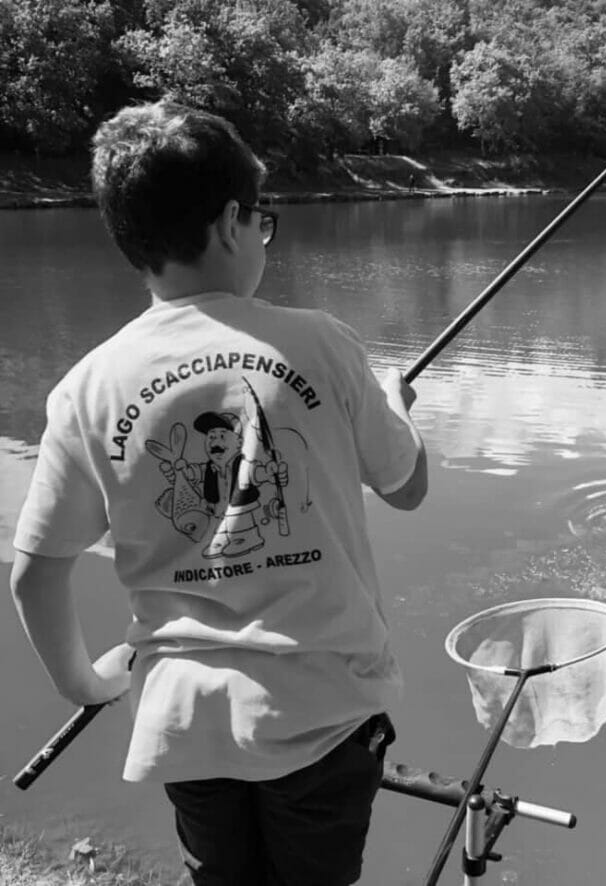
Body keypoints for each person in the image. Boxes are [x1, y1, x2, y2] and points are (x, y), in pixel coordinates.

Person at [10, 99, 428, 886]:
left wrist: (88, 683)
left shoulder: (89, 387)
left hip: (187, 723)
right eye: (262, 220)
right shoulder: (322, 343)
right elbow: (407, 486)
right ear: (235, 221)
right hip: (323, 715)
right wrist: (398, 408)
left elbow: (34, 572)